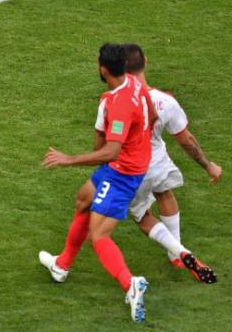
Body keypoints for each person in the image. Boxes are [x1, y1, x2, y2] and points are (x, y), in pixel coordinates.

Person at [39, 43, 155, 323]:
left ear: (102, 69)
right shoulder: (135, 85)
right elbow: (152, 113)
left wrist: (69, 159)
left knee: (99, 235)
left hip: (123, 172)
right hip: (119, 165)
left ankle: (131, 285)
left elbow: (111, 150)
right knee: (83, 200)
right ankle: (62, 264)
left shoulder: (118, 105)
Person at [122, 43, 222, 283]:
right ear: (145, 62)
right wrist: (208, 165)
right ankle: (175, 255)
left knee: (142, 215)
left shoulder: (117, 101)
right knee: (164, 193)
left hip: (131, 168)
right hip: (157, 163)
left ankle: (178, 251)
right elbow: (186, 141)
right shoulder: (165, 101)